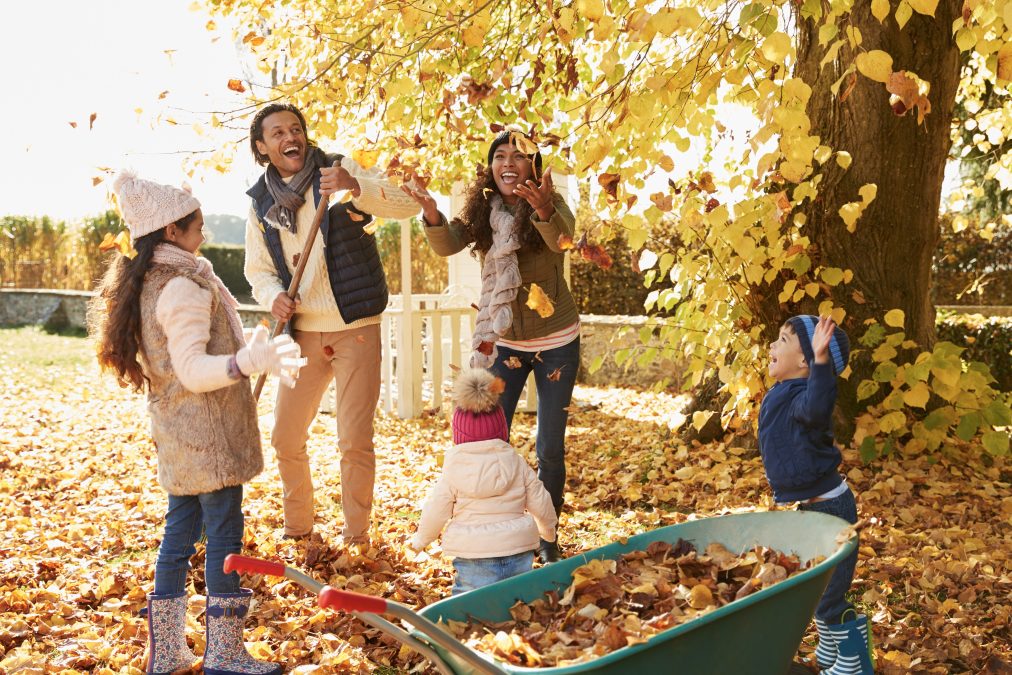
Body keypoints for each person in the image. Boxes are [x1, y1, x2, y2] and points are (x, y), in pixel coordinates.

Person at [90, 171, 305, 675]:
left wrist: (246, 351)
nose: (204, 234)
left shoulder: (150, 283)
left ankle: (165, 654)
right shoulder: (182, 288)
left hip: (179, 433)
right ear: (171, 232)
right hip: (209, 437)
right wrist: (246, 364)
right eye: (198, 226)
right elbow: (190, 370)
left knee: (179, 535)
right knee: (225, 539)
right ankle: (225, 654)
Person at [243, 103, 421, 543]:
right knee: (285, 436)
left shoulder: (337, 171)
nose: (291, 137)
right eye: (279, 132)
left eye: (296, 128)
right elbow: (257, 270)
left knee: (353, 439)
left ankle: (357, 536)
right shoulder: (261, 202)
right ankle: (299, 529)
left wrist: (354, 185)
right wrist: (274, 296)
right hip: (301, 331)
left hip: (354, 326)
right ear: (263, 147)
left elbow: (406, 205)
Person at [404, 130, 579, 563]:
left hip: (557, 341)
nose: (508, 162)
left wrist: (540, 207)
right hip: (504, 343)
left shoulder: (553, 205)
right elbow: (447, 244)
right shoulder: (484, 211)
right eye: (500, 155)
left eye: (518, 156)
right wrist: (430, 213)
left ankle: (548, 537)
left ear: (532, 168)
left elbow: (562, 240)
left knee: (548, 447)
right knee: (486, 440)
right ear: (491, 167)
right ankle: (491, 529)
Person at [759, 315, 871, 675]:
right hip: (813, 507)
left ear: (805, 362)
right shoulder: (784, 392)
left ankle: (854, 664)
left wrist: (822, 361)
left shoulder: (806, 401)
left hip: (833, 510)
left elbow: (819, 402)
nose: (772, 346)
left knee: (829, 594)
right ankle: (829, 652)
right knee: (817, 589)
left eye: (782, 340)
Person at [410, 367, 558, 594]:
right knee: (519, 599)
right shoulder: (516, 463)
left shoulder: (453, 469)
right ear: (501, 428)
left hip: (474, 555)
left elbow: (436, 508)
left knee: (469, 604)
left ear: (458, 434)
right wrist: (548, 532)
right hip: (517, 550)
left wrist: (421, 540)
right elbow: (540, 499)